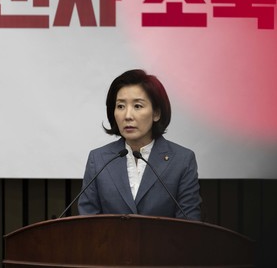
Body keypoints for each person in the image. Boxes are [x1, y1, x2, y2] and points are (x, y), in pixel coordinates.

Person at [78, 69, 202, 220]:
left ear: (156, 113)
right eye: (121, 106)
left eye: (137, 106)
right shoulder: (98, 159)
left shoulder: (182, 160)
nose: (127, 116)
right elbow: (88, 222)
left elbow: (189, 224)